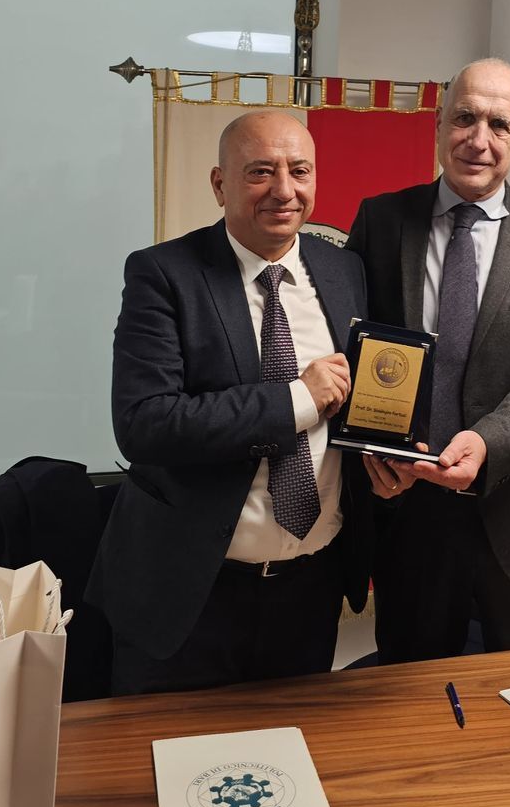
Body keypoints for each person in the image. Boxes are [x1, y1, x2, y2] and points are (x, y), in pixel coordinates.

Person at [88, 110, 371, 694]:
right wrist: (297, 399)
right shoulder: (164, 274)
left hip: (310, 591)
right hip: (190, 593)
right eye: (261, 172)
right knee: (166, 750)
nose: (284, 190)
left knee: (293, 746)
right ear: (220, 184)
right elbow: (145, 424)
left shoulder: (344, 270)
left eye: (299, 171)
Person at [346, 58, 510, 661]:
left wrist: (487, 443)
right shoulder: (381, 221)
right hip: (410, 517)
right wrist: (373, 452)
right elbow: (352, 350)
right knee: (413, 695)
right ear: (438, 124)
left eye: (498, 125)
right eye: (464, 118)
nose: (478, 140)